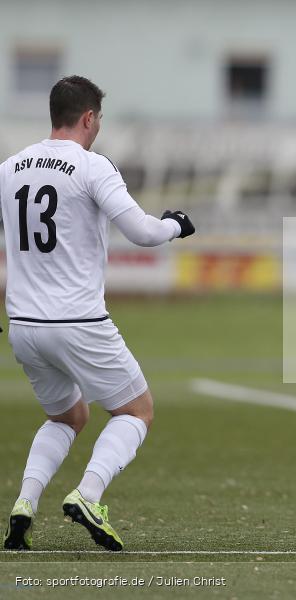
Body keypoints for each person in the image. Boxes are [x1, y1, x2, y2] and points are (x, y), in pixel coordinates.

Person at [1, 75, 195, 551]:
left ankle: (23, 505)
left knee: (68, 416)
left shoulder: (9, 168)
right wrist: (176, 225)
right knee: (137, 410)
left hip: (24, 326)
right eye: (99, 119)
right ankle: (88, 494)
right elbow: (143, 232)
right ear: (89, 117)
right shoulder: (91, 166)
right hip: (77, 322)